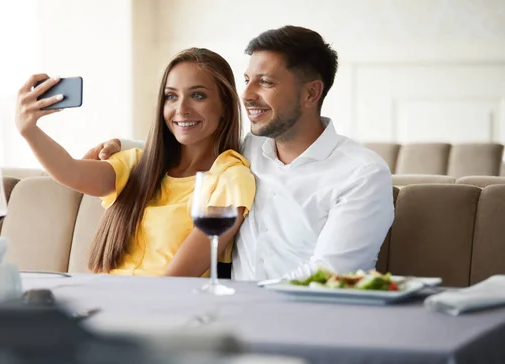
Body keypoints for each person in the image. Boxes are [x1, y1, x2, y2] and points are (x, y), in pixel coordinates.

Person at [84, 26, 394, 281]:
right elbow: (188, 146)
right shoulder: (248, 151)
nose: (245, 94)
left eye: (266, 82)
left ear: (311, 92)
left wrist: (251, 302)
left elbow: (330, 275)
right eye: (247, 80)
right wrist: (121, 144)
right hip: (232, 318)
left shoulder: (361, 174)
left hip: (309, 320)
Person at [15, 48, 256, 277]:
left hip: (160, 309)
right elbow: (70, 172)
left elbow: (177, 280)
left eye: (198, 95)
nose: (181, 109)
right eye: (171, 96)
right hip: (104, 298)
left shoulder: (230, 177)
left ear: (224, 105)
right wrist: (28, 130)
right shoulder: (138, 165)